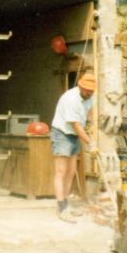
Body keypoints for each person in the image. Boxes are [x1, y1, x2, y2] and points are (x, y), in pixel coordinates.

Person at [51, 73, 96, 222]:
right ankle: (61, 207)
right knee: (61, 172)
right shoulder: (71, 99)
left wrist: (90, 126)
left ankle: (66, 204)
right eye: (87, 89)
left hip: (74, 134)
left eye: (91, 90)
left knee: (71, 172)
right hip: (62, 133)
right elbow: (75, 126)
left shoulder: (90, 96)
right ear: (80, 86)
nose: (89, 92)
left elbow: (89, 114)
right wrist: (90, 142)